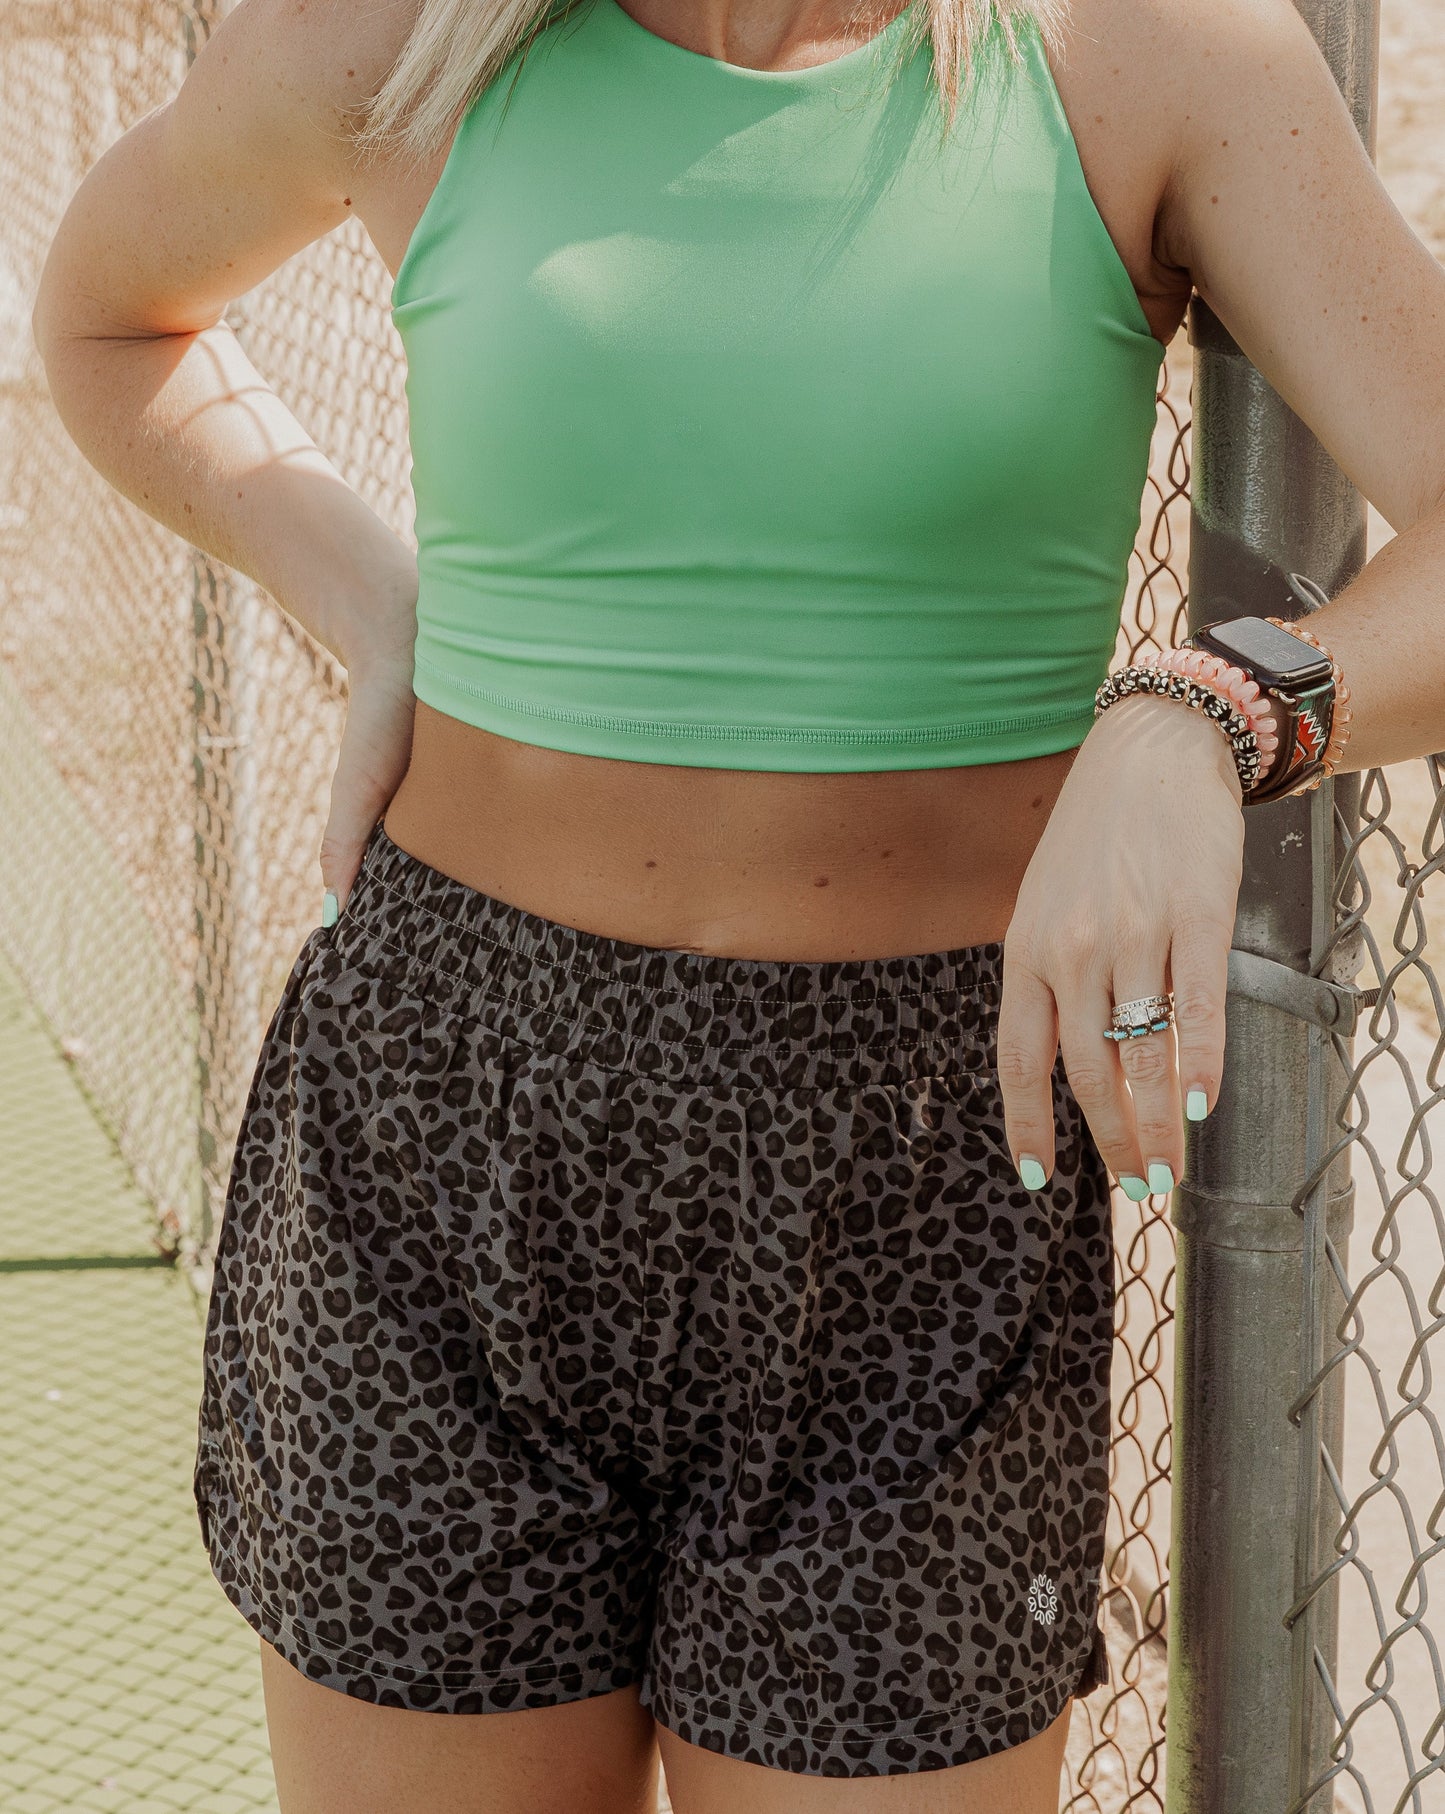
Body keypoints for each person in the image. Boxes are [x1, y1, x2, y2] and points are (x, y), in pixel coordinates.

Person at [30, 0, 1445, 1805]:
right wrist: (375, 600)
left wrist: (1209, 712)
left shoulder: (1143, 54)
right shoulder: (399, 42)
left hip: (922, 1182)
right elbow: (110, 321)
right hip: (441, 1141)